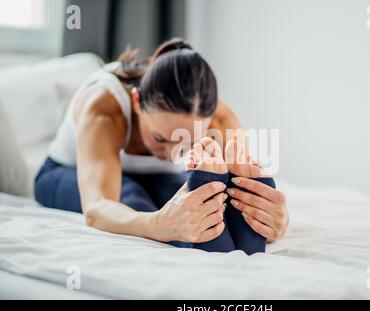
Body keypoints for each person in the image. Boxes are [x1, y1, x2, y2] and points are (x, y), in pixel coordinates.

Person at [34, 38, 289, 253]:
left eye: (186, 142)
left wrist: (275, 218)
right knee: (134, 199)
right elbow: (97, 208)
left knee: (204, 201)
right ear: (136, 102)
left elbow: (248, 190)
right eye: (159, 138)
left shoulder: (215, 116)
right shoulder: (104, 108)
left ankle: (222, 244)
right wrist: (158, 224)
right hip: (62, 172)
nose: (171, 155)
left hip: (158, 179)